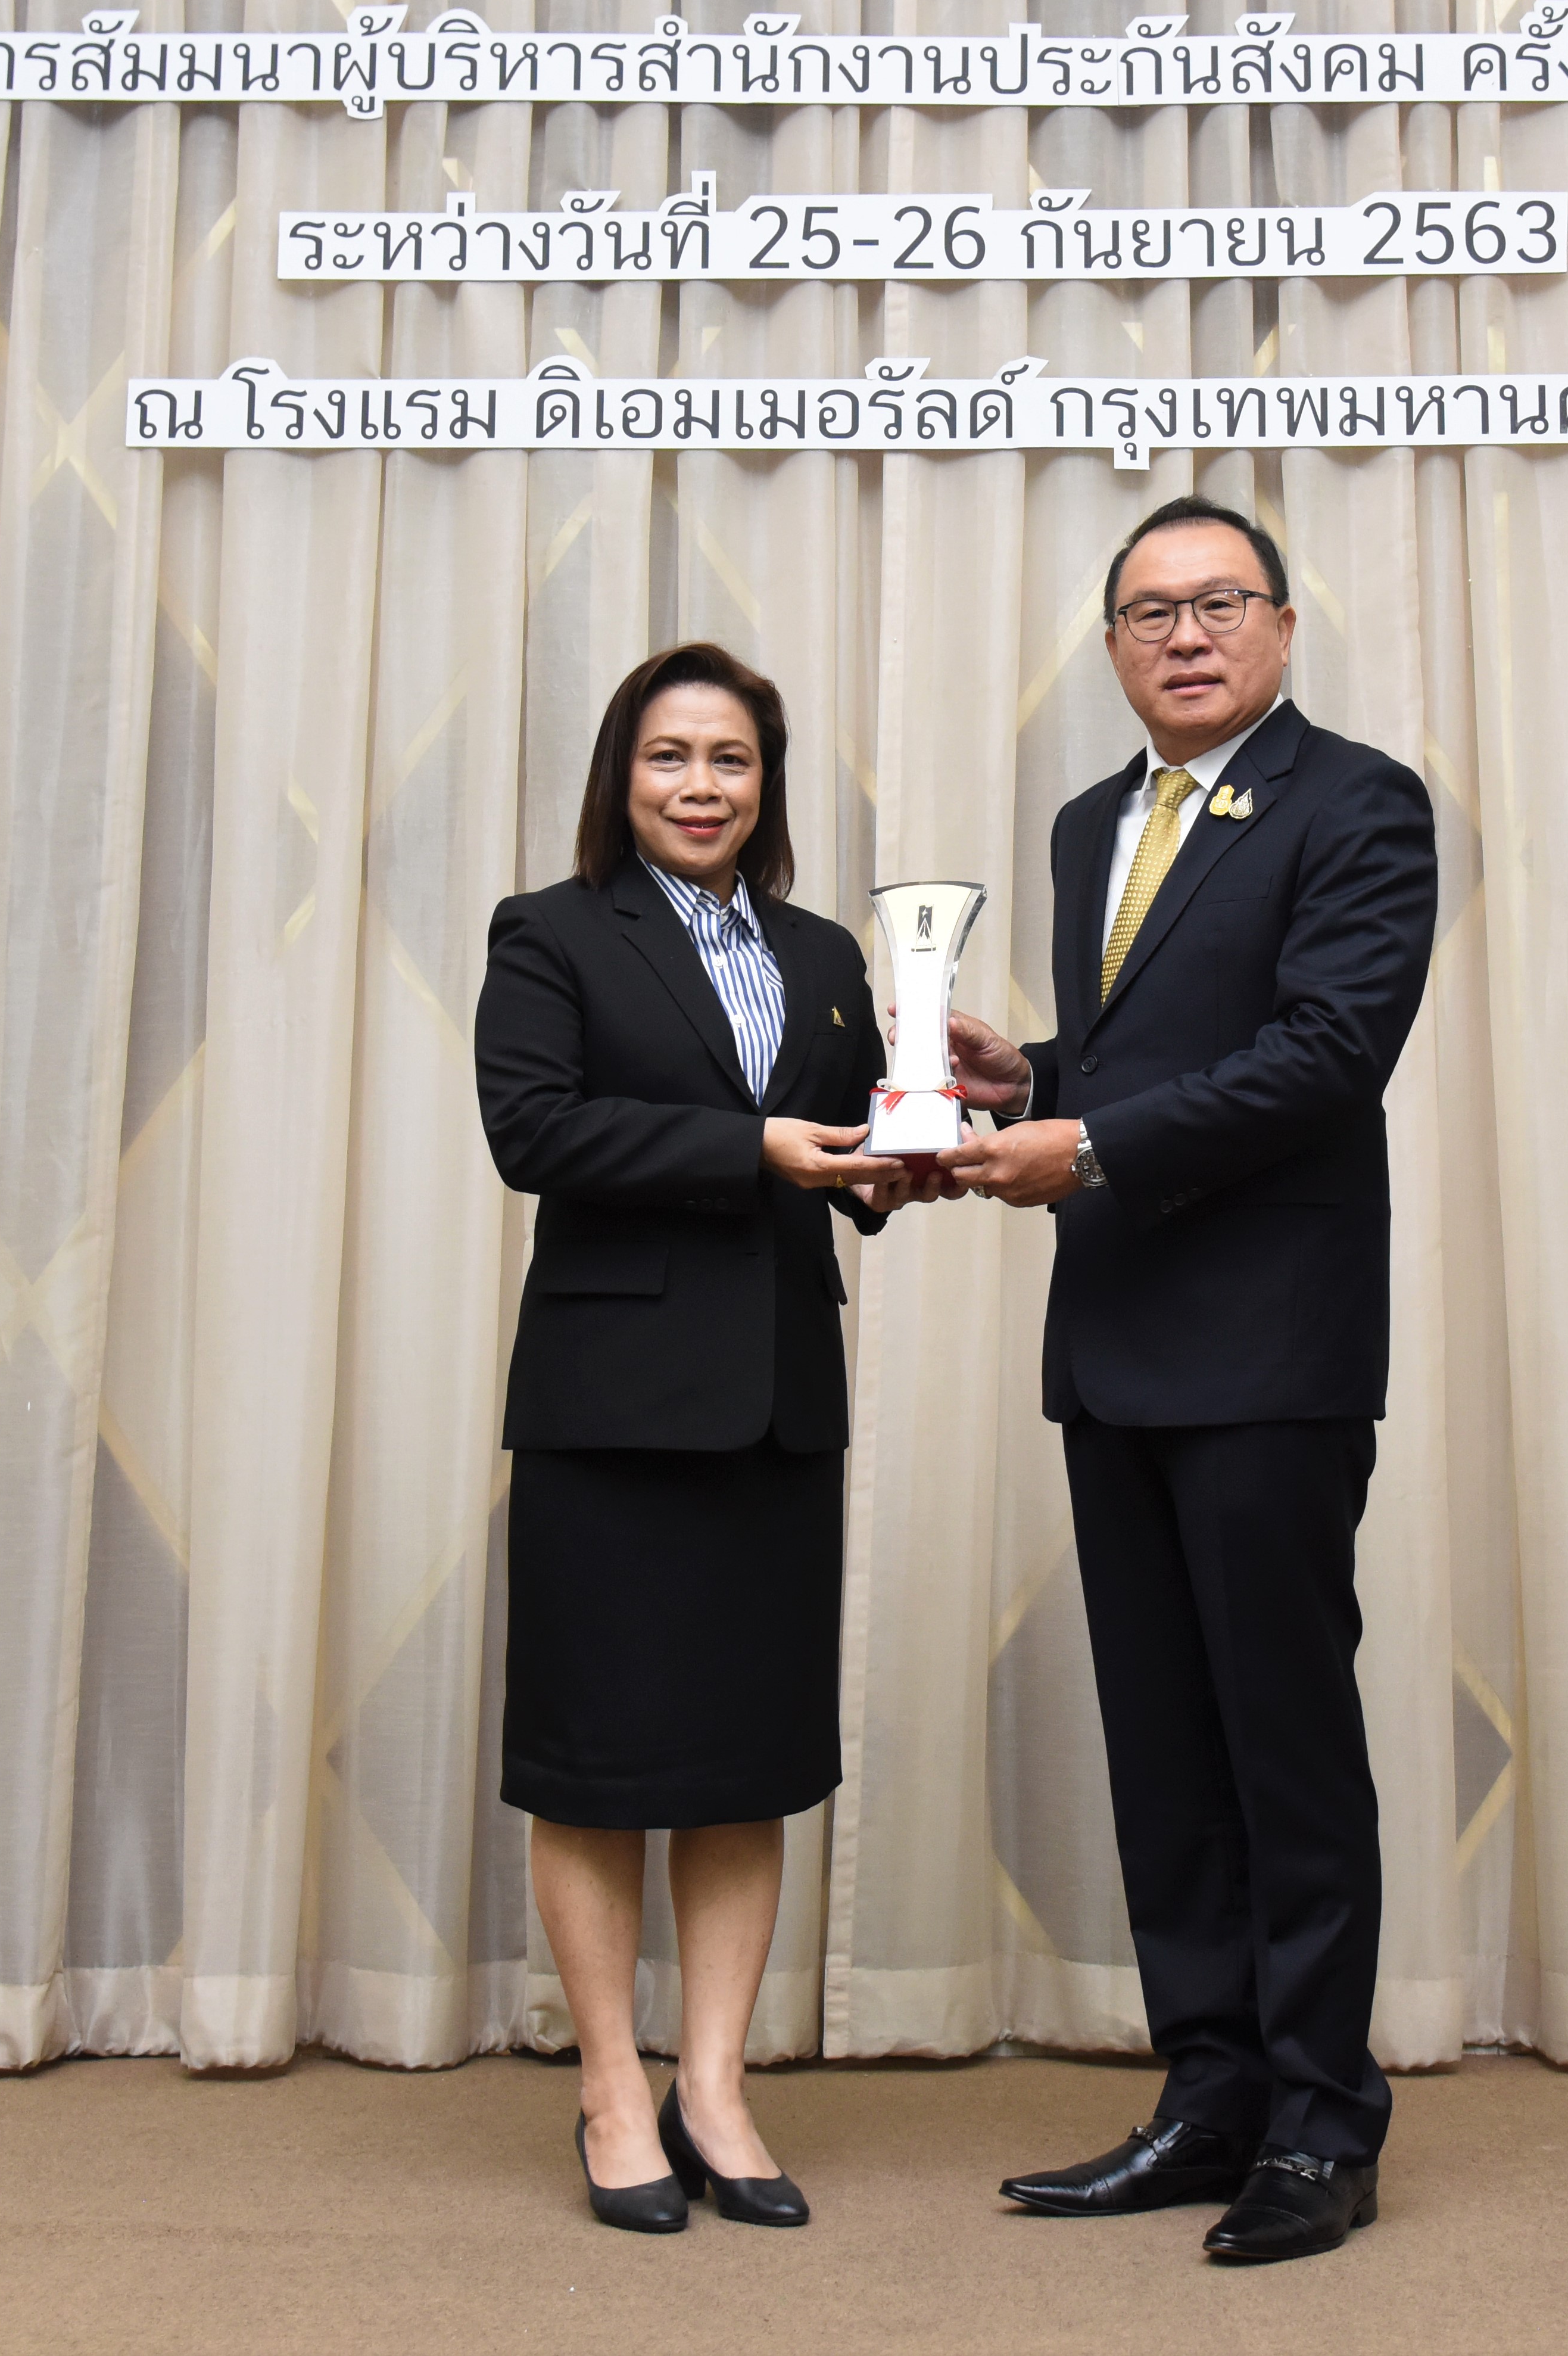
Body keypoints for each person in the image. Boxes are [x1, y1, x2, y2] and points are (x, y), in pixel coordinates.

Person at [940, 499, 1438, 2264]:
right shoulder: (1093, 823)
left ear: (1283, 628)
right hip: (1118, 1347)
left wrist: (1082, 1147)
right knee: (1165, 1755)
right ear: (1111, 649)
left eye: (1220, 602)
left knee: (1282, 1746)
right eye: (1150, 612)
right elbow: (1155, 1056)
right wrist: (1030, 1081)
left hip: (1271, 1351)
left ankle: (1321, 2125)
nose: (1186, 634)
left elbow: (1324, 1053)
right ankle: (1210, 2095)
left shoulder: (1358, 802)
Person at [473, 642, 928, 2235]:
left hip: (778, 1408)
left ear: (765, 783)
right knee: (600, 1765)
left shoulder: (822, 950)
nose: (699, 785)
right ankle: (613, 2087)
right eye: (668, 756)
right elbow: (534, 1129)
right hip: (611, 1411)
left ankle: (715, 2086)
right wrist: (756, 1150)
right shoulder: (549, 932)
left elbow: (847, 1147)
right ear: (621, 775)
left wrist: (900, 1160)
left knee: (746, 1764)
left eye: (731, 759)